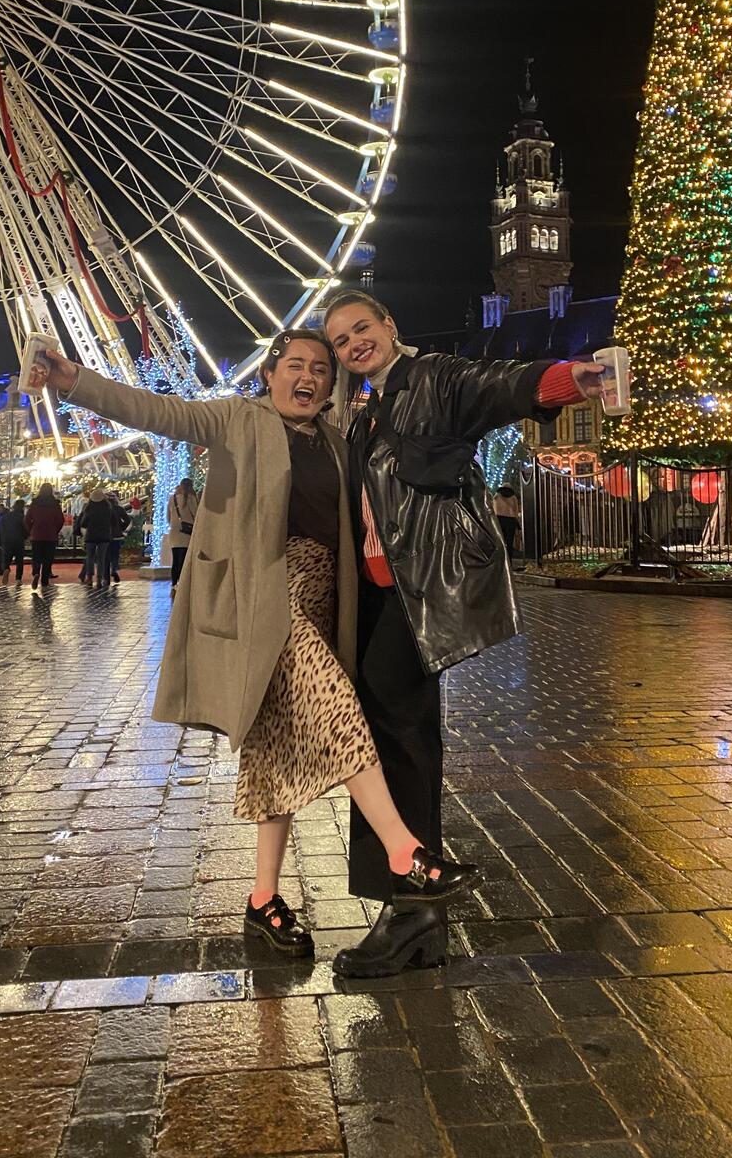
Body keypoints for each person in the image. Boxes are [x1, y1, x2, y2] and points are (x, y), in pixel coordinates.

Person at [41, 331, 478, 958]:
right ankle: (406, 853)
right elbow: (156, 410)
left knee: (274, 751)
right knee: (337, 711)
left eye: (320, 370)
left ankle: (262, 901)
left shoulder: (336, 440)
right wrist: (72, 381)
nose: (308, 377)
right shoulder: (236, 418)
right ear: (270, 375)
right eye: (294, 366)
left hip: (324, 599)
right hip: (264, 600)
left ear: (331, 385)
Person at [323, 291, 605, 977]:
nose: (354, 343)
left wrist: (568, 379)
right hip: (384, 594)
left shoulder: (435, 379)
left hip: (424, 588)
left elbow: (499, 386)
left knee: (393, 725)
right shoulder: (367, 414)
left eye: (363, 328)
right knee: (393, 733)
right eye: (340, 340)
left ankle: (413, 904)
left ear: (391, 326)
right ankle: (412, 901)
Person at [25, 482, 64, 589]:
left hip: (37, 534)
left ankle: (36, 572)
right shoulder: (55, 504)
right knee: (48, 558)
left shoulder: (35, 503)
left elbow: (27, 519)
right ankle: (45, 580)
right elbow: (60, 520)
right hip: (50, 535)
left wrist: (31, 530)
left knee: (36, 556)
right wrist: (55, 530)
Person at [166, 478, 198, 597]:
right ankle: (183, 584)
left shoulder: (172, 498)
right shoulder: (191, 498)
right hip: (187, 532)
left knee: (175, 559)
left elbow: (168, 518)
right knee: (184, 559)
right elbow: (196, 515)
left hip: (174, 531)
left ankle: (174, 584)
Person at [78, 487, 115, 590]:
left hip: (91, 536)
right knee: (101, 558)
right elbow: (113, 522)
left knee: (90, 557)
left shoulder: (89, 508)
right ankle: (100, 578)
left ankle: (89, 577)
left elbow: (83, 523)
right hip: (104, 536)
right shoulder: (108, 508)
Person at [0, 497, 28, 585]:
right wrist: (25, 537)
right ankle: (18, 579)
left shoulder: (5, 516)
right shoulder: (22, 517)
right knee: (19, 561)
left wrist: (0, 541)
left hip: (7, 540)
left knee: (6, 559)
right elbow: (26, 529)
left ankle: (6, 569)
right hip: (19, 541)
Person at [492, 486, 522, 560]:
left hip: (499, 519)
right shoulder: (513, 497)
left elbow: (492, 507)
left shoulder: (496, 496)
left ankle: (500, 560)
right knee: (510, 542)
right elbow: (516, 511)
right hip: (510, 520)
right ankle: (509, 560)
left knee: (500, 541)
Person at [107, 490, 129, 584]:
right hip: (117, 535)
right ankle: (114, 569)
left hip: (106, 535)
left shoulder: (105, 509)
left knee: (106, 555)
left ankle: (106, 575)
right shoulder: (119, 509)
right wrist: (121, 528)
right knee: (115, 554)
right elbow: (127, 520)